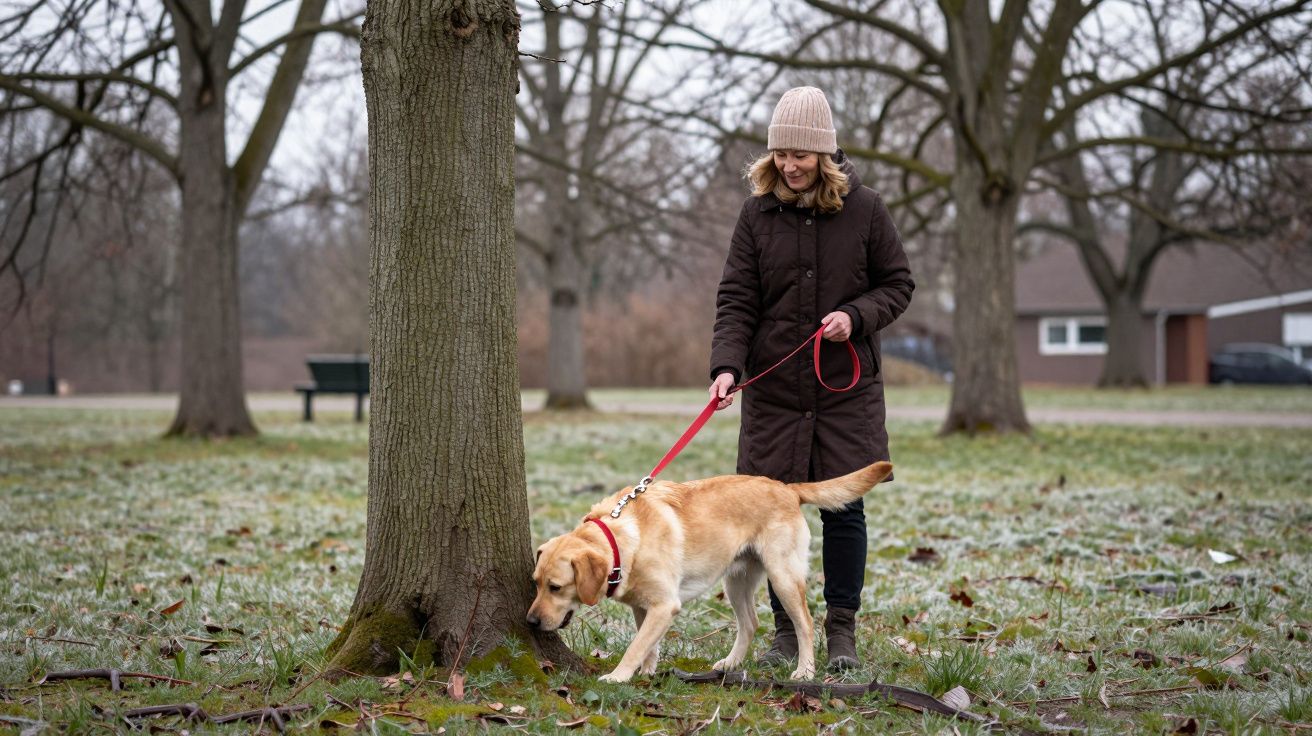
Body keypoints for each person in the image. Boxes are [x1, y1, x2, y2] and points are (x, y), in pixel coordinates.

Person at [708, 86, 914, 671]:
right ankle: (782, 634)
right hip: (774, 396)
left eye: (800, 155)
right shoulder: (756, 216)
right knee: (768, 516)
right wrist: (726, 367)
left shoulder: (867, 210)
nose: (789, 166)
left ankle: (841, 632)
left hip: (845, 389)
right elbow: (736, 301)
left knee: (845, 513)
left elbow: (898, 285)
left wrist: (856, 316)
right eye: (781, 155)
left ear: (824, 155)